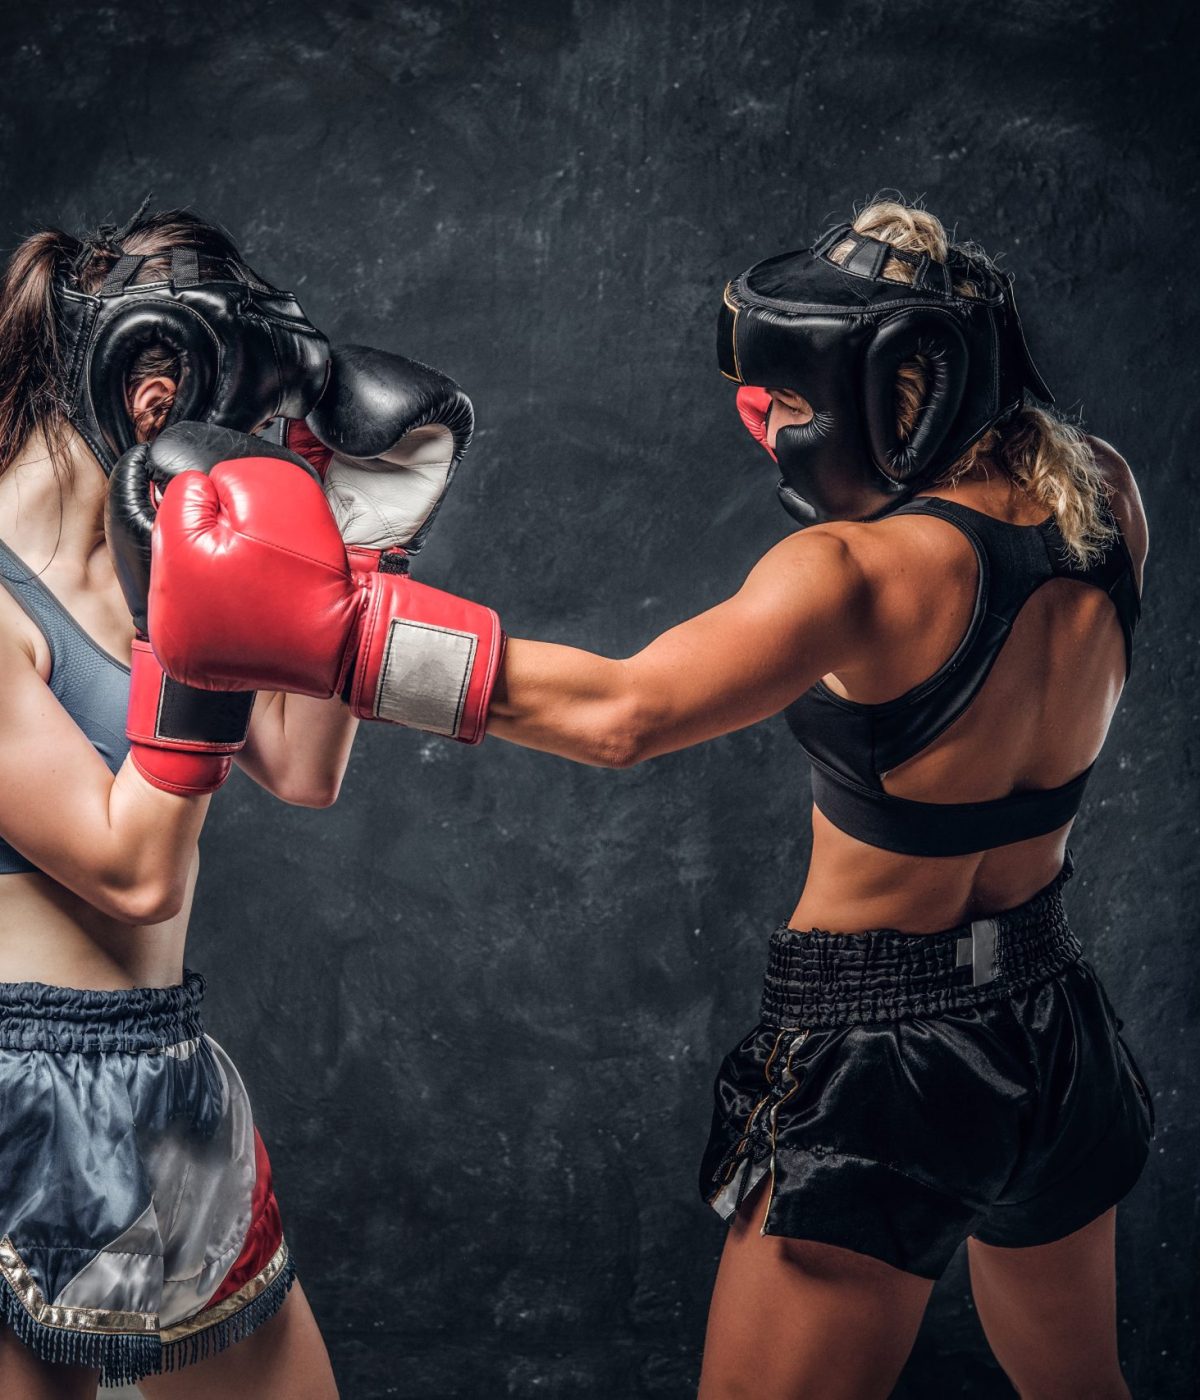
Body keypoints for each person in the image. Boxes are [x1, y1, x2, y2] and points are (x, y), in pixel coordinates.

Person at [139, 200, 1152, 1400]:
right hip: (1052, 1020)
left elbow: (623, 713)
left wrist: (349, 638)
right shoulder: (1104, 500)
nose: (772, 423)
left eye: (796, 394)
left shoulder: (852, 574)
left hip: (886, 1058)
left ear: (898, 392)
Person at [0, 206, 475, 1398]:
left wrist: (361, 539)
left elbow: (302, 766)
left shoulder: (154, 545)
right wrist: (188, 631)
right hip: (15, 1084)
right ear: (155, 395)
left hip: (161, 1069)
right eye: (244, 423)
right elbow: (133, 867)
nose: (251, 453)